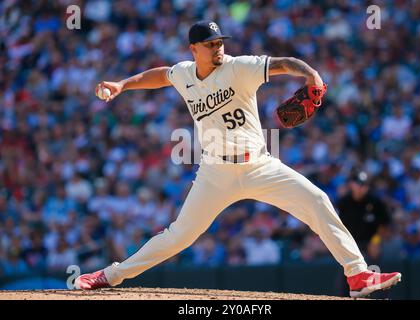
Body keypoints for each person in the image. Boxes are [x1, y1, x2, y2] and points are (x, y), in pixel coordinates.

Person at [75, 20, 401, 298]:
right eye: (209, 43)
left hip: (259, 165)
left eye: (219, 42)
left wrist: (311, 74)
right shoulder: (185, 73)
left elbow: (284, 63)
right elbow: (162, 74)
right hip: (215, 172)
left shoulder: (238, 67)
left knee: (317, 200)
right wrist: (123, 85)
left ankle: (357, 275)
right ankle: (110, 275)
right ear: (193, 49)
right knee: (179, 236)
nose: (217, 48)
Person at [336, 170, 391, 254]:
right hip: (349, 243)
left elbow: (384, 224)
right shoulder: (343, 202)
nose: (362, 187)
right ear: (351, 184)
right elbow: (336, 225)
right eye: (359, 184)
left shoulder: (375, 202)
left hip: (370, 243)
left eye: (365, 184)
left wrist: (375, 241)